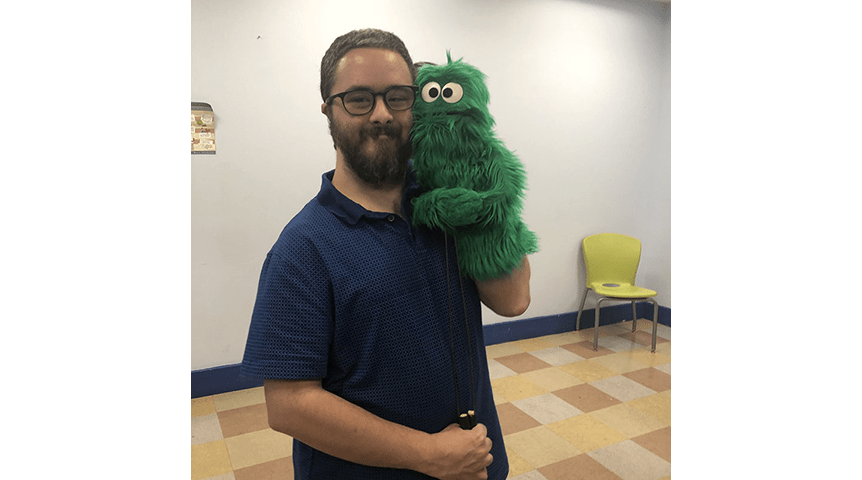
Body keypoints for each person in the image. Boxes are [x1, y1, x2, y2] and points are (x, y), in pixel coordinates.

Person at [241, 28, 531, 480]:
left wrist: (478, 182)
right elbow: (289, 404)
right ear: (328, 111)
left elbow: (513, 300)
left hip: (476, 463)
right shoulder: (303, 247)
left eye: (398, 97)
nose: (382, 114)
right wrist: (428, 455)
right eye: (359, 99)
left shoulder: (446, 209)